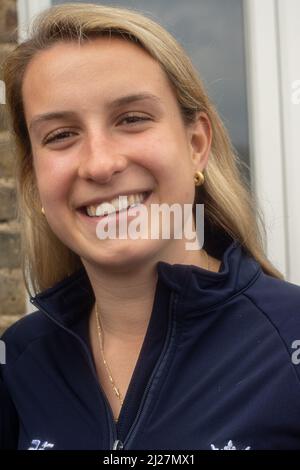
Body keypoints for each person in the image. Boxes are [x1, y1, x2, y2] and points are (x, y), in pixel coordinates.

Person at [1, 2, 300, 451]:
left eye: (132, 119)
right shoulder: (19, 361)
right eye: (60, 134)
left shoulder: (290, 339)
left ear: (196, 144)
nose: (101, 164)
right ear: (35, 177)